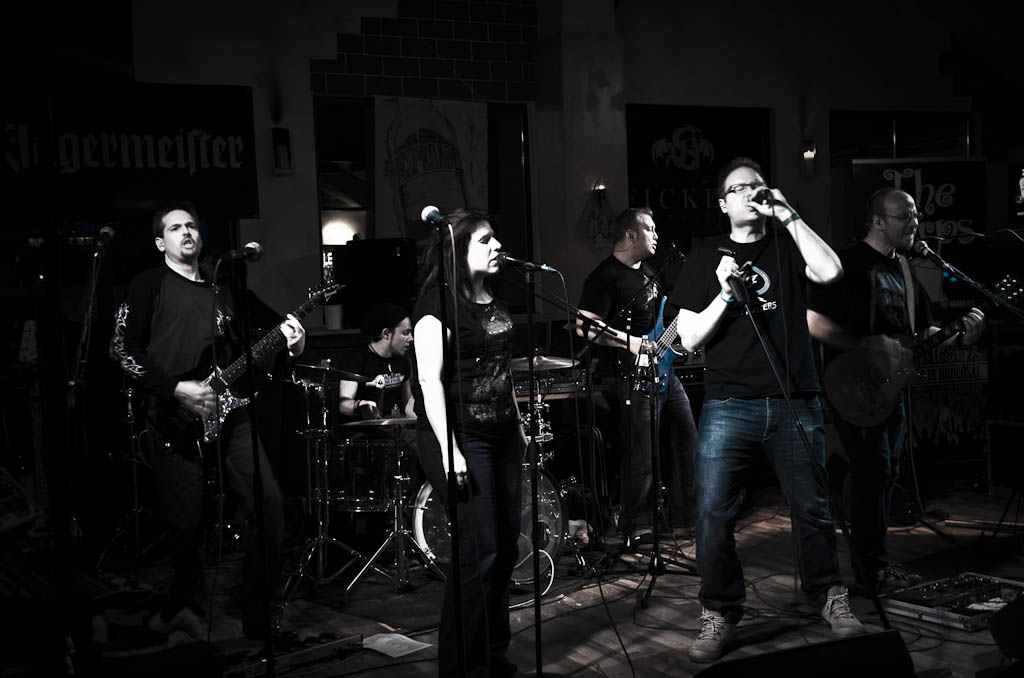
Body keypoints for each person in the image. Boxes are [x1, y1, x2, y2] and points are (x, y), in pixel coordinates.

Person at [669, 157, 864, 663]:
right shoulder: (705, 254)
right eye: (738, 188)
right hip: (729, 402)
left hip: (794, 399)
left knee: (812, 508)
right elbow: (688, 338)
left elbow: (831, 271)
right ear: (722, 204)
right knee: (712, 513)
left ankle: (828, 596)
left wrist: (789, 214)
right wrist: (723, 294)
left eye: (757, 185)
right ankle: (719, 611)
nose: (750, 193)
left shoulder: (786, 244)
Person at [110, 199, 306, 639]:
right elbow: (121, 349)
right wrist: (175, 388)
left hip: (230, 414)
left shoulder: (224, 291)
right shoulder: (148, 285)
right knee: (185, 526)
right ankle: (187, 621)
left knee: (269, 505)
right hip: (173, 418)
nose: (186, 232)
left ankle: (260, 616)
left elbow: (248, 359)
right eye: (175, 228)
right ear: (160, 242)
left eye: (192, 226)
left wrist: (290, 344)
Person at [807, 187, 984, 594]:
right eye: (905, 216)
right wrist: (862, 346)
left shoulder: (904, 269)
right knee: (874, 471)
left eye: (916, 215)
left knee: (883, 474)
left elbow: (923, 332)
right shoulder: (845, 264)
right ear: (878, 221)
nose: (914, 223)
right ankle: (871, 572)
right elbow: (813, 320)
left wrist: (961, 334)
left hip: (891, 388)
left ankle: (876, 566)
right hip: (853, 386)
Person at [411, 209, 526, 678]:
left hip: (502, 434)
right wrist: (450, 450)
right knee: (479, 552)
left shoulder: (494, 299)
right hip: (461, 435)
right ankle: (463, 667)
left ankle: (492, 654)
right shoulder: (437, 306)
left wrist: (519, 428)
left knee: (506, 548)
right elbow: (429, 381)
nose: (497, 246)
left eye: (495, 237)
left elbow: (503, 370)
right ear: (458, 250)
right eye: (484, 240)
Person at [577, 207, 699, 541]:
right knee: (642, 456)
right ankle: (637, 524)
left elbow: (659, 325)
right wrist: (631, 343)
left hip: (663, 370)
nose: (657, 235)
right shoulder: (604, 277)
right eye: (650, 229)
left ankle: (686, 517)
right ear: (630, 235)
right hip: (627, 376)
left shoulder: (649, 273)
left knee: (688, 439)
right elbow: (584, 327)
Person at [338, 302, 415, 421]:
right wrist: (360, 405)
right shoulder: (356, 359)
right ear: (386, 334)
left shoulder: (402, 360)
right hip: (362, 430)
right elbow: (344, 405)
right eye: (405, 333)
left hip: (392, 427)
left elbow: (408, 402)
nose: (411, 338)